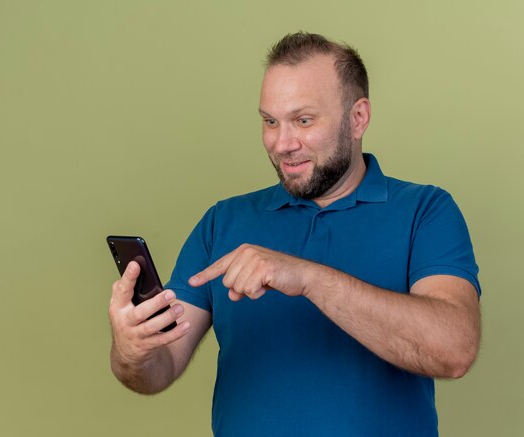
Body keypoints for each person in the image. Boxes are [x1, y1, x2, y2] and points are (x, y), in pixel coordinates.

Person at [108, 32, 481, 436]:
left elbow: (454, 350)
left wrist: (308, 277)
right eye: (270, 121)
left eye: (303, 120)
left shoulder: (425, 211)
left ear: (358, 118)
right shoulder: (223, 221)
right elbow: (157, 370)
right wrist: (133, 350)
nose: (282, 144)